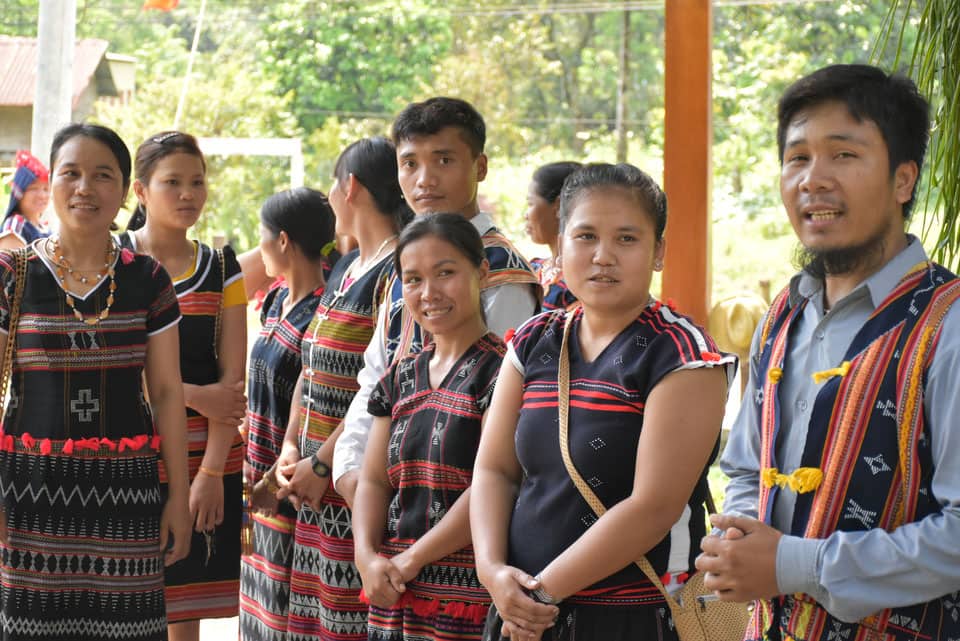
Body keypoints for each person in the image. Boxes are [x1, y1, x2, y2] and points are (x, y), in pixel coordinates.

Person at [696, 64, 960, 641]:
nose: (813, 180)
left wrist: (795, 564)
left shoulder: (950, 325)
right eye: (797, 158)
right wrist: (738, 539)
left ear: (903, 180)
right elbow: (745, 464)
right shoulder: (783, 316)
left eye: (843, 155)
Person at [471, 163, 735, 640]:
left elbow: (652, 508)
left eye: (627, 239)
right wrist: (492, 571)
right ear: (559, 245)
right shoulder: (534, 341)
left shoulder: (682, 354)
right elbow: (494, 469)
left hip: (631, 616)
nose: (603, 256)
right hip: (522, 610)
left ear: (658, 253)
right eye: (586, 236)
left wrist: (538, 596)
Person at [0, 123, 191, 640]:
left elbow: (168, 392)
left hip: (127, 499)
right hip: (28, 497)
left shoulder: (148, 280)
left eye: (102, 175)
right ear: (53, 183)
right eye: (72, 173)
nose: (85, 188)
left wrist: (178, 496)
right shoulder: (11, 274)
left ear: (125, 190)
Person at [333, 97, 540, 511]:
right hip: (382, 489)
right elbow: (375, 375)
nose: (424, 179)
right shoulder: (406, 260)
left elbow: (495, 403)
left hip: (457, 494)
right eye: (410, 163)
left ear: (479, 167)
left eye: (443, 160)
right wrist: (348, 470)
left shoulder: (499, 271)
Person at [273, 137, 411, 641]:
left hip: (351, 486)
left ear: (349, 187)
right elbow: (310, 368)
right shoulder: (347, 268)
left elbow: (381, 387)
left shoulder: (395, 272)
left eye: (333, 184)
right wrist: (293, 447)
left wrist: (325, 462)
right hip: (312, 484)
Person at [119, 131, 248, 641]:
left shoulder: (221, 268)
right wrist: (193, 395)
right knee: (122, 601)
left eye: (197, 182)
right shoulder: (114, 263)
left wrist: (213, 471)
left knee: (183, 614)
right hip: (126, 452)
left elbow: (231, 384)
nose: (188, 194)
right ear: (141, 191)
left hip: (204, 460)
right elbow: (111, 372)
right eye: (172, 182)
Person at [353, 213, 504, 641]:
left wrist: (413, 559)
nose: (429, 293)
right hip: (393, 590)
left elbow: (492, 485)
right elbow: (374, 481)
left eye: (446, 273)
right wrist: (366, 556)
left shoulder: (504, 373)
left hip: (466, 600)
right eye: (414, 279)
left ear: (482, 272)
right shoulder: (399, 377)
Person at [239, 187, 337, 641]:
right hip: (255, 482)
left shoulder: (322, 314)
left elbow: (313, 403)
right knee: (255, 617)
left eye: (261, 239)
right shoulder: (278, 302)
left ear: (281, 241)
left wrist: (269, 485)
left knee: (283, 620)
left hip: (288, 490)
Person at [524, 161, 581, 312]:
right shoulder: (532, 270)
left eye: (530, 203)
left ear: (558, 206)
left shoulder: (577, 286)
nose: (526, 215)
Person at [1, 149, 51, 249]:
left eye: (46, 189)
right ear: (19, 193)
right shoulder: (15, 227)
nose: (42, 195)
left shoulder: (43, 228)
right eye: (33, 189)